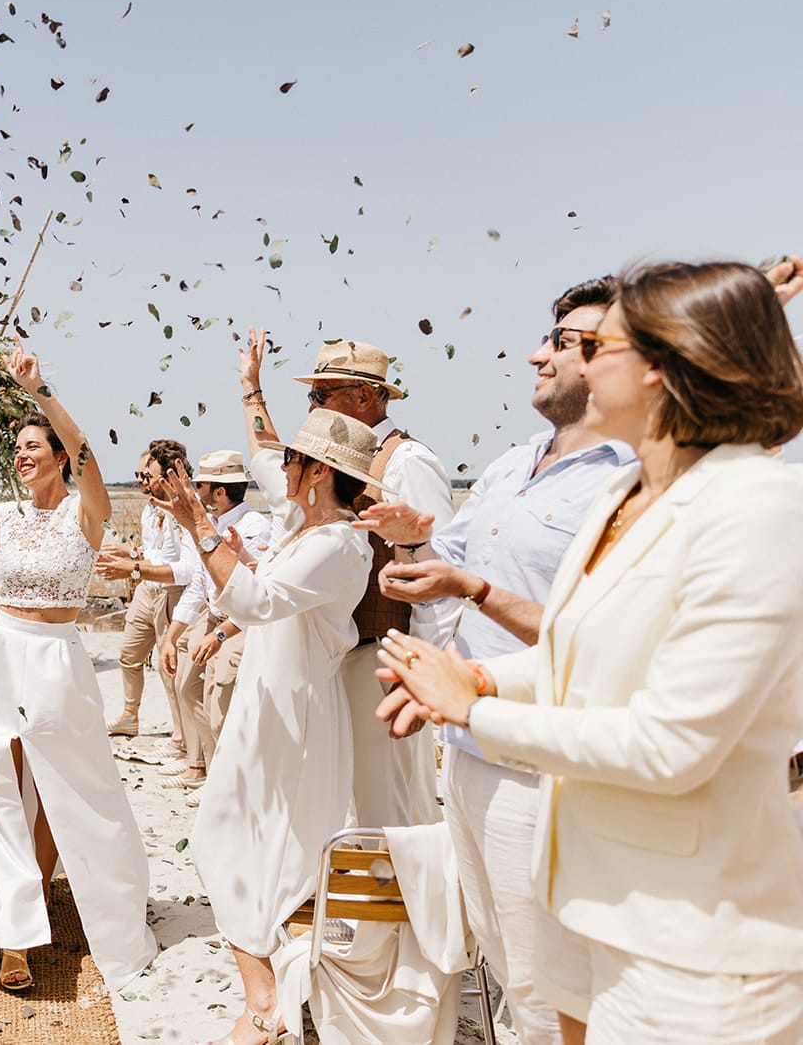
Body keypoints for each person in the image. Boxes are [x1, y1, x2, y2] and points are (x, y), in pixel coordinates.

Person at [374, 260, 803, 1043]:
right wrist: (476, 673)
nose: (554, 358)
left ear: (662, 367)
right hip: (586, 896)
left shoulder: (757, 508)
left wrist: (477, 707)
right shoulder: (623, 495)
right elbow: (585, 651)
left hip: (690, 937)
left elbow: (675, 743)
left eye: (589, 343)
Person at [355, 276, 631, 1045]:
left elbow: (602, 635)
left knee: (551, 977)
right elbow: (450, 559)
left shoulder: (626, 480)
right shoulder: (513, 463)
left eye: (566, 341)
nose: (537, 354)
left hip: (545, 761)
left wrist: (469, 585)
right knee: (504, 957)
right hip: (467, 742)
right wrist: (413, 539)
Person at [0, 345, 157, 994]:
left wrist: (38, 389)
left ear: (58, 455)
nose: (20, 454)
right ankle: (15, 930)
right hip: (0, 657)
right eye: (15, 446)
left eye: (32, 445)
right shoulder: (10, 518)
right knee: (0, 782)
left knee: (53, 789)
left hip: (56, 662)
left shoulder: (86, 512)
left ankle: (37, 897)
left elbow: (90, 453)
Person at [176, 326, 379, 1044]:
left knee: (288, 859)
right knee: (227, 836)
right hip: (266, 707)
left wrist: (197, 520)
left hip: (298, 722)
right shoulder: (302, 524)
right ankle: (266, 990)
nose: (281, 465)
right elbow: (262, 457)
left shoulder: (337, 544)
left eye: (295, 459)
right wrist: (250, 384)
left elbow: (256, 601)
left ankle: (278, 1000)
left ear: (318, 471)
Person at [297, 339, 452, 828]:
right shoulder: (352, 459)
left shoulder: (407, 462)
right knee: (359, 802)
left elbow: (439, 566)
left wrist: (421, 668)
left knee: (390, 805)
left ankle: (407, 902)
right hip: (352, 654)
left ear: (365, 397)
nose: (313, 407)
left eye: (323, 395)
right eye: (312, 396)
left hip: (387, 657)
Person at [156, 450, 278, 796]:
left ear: (220, 491)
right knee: (192, 690)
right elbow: (198, 584)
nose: (195, 489)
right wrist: (171, 636)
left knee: (221, 709)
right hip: (213, 618)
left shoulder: (253, 527)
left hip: (236, 624)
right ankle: (207, 770)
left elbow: (249, 590)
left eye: (201, 484)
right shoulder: (213, 524)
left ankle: (228, 787)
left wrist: (220, 634)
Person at [96, 442, 191, 747]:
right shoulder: (150, 508)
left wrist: (132, 567)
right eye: (137, 474)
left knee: (170, 669)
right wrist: (133, 551)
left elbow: (181, 567)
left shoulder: (183, 511)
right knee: (128, 655)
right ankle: (129, 715)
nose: (140, 480)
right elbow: (155, 552)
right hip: (145, 592)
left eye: (146, 474)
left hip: (172, 593)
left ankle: (181, 737)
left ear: (167, 476)